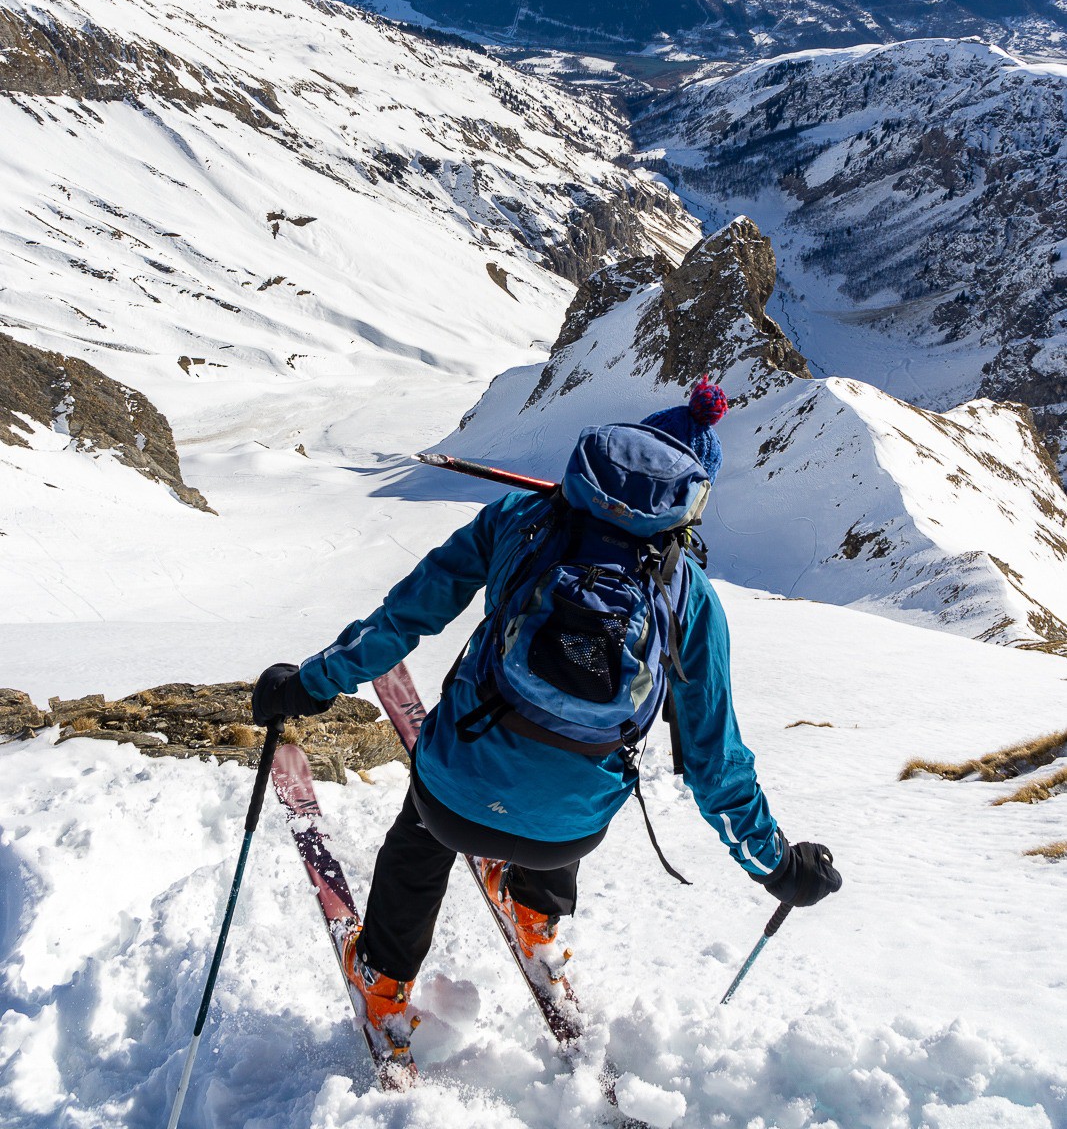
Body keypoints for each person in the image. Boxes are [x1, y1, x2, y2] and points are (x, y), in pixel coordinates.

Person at [253, 378, 841, 1047]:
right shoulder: (691, 598)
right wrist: (775, 866)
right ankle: (536, 913)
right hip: (569, 834)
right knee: (581, 761)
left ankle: (383, 977)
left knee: (423, 828)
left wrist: (309, 685)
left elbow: (403, 619)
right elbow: (715, 764)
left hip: (453, 798)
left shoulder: (517, 519)